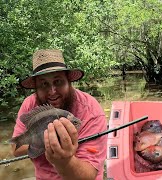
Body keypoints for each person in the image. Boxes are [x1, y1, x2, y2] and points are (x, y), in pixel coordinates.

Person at [11, 49, 108, 180]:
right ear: (36, 87)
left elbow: (89, 175)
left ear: (69, 82)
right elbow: (16, 149)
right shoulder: (29, 104)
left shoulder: (91, 110)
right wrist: (44, 141)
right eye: (44, 84)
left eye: (58, 82)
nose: (52, 92)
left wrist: (64, 161)